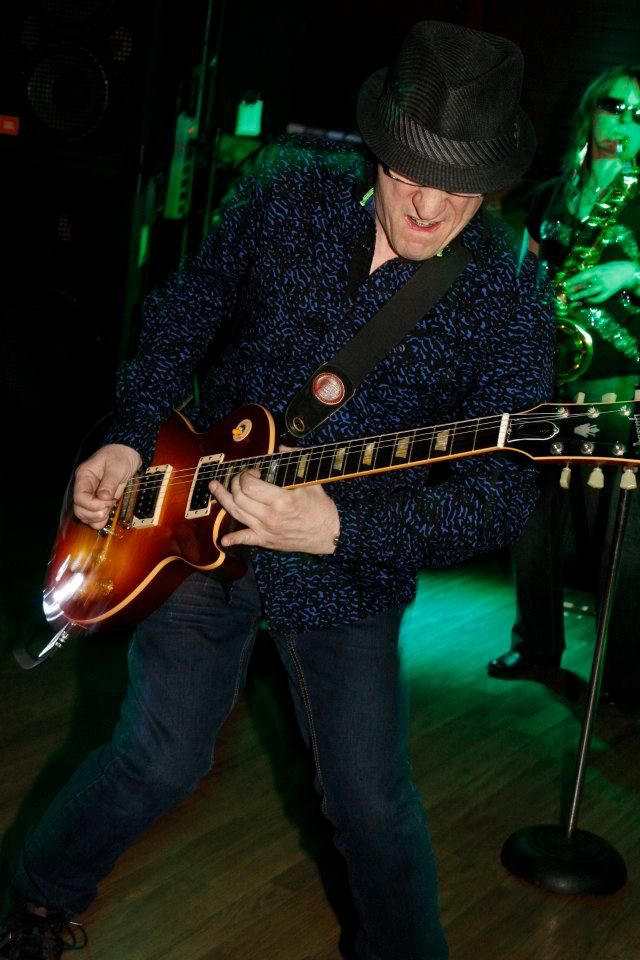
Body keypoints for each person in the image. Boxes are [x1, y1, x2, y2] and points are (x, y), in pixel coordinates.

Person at [0, 21, 554, 960]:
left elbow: (501, 496)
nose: (425, 209)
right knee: (158, 757)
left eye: (457, 190)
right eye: (407, 175)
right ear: (377, 146)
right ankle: (35, 903)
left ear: (494, 182)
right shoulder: (287, 189)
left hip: (347, 567)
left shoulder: (511, 295)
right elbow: (185, 312)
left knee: (370, 803)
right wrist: (131, 434)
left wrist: (340, 527)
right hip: (192, 517)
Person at [487, 65, 640, 713]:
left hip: (618, 383)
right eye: (616, 107)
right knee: (529, 518)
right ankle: (537, 646)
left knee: (618, 536)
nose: (625, 123)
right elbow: (520, 277)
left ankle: (626, 676)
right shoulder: (551, 196)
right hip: (545, 376)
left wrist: (628, 271)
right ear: (591, 111)